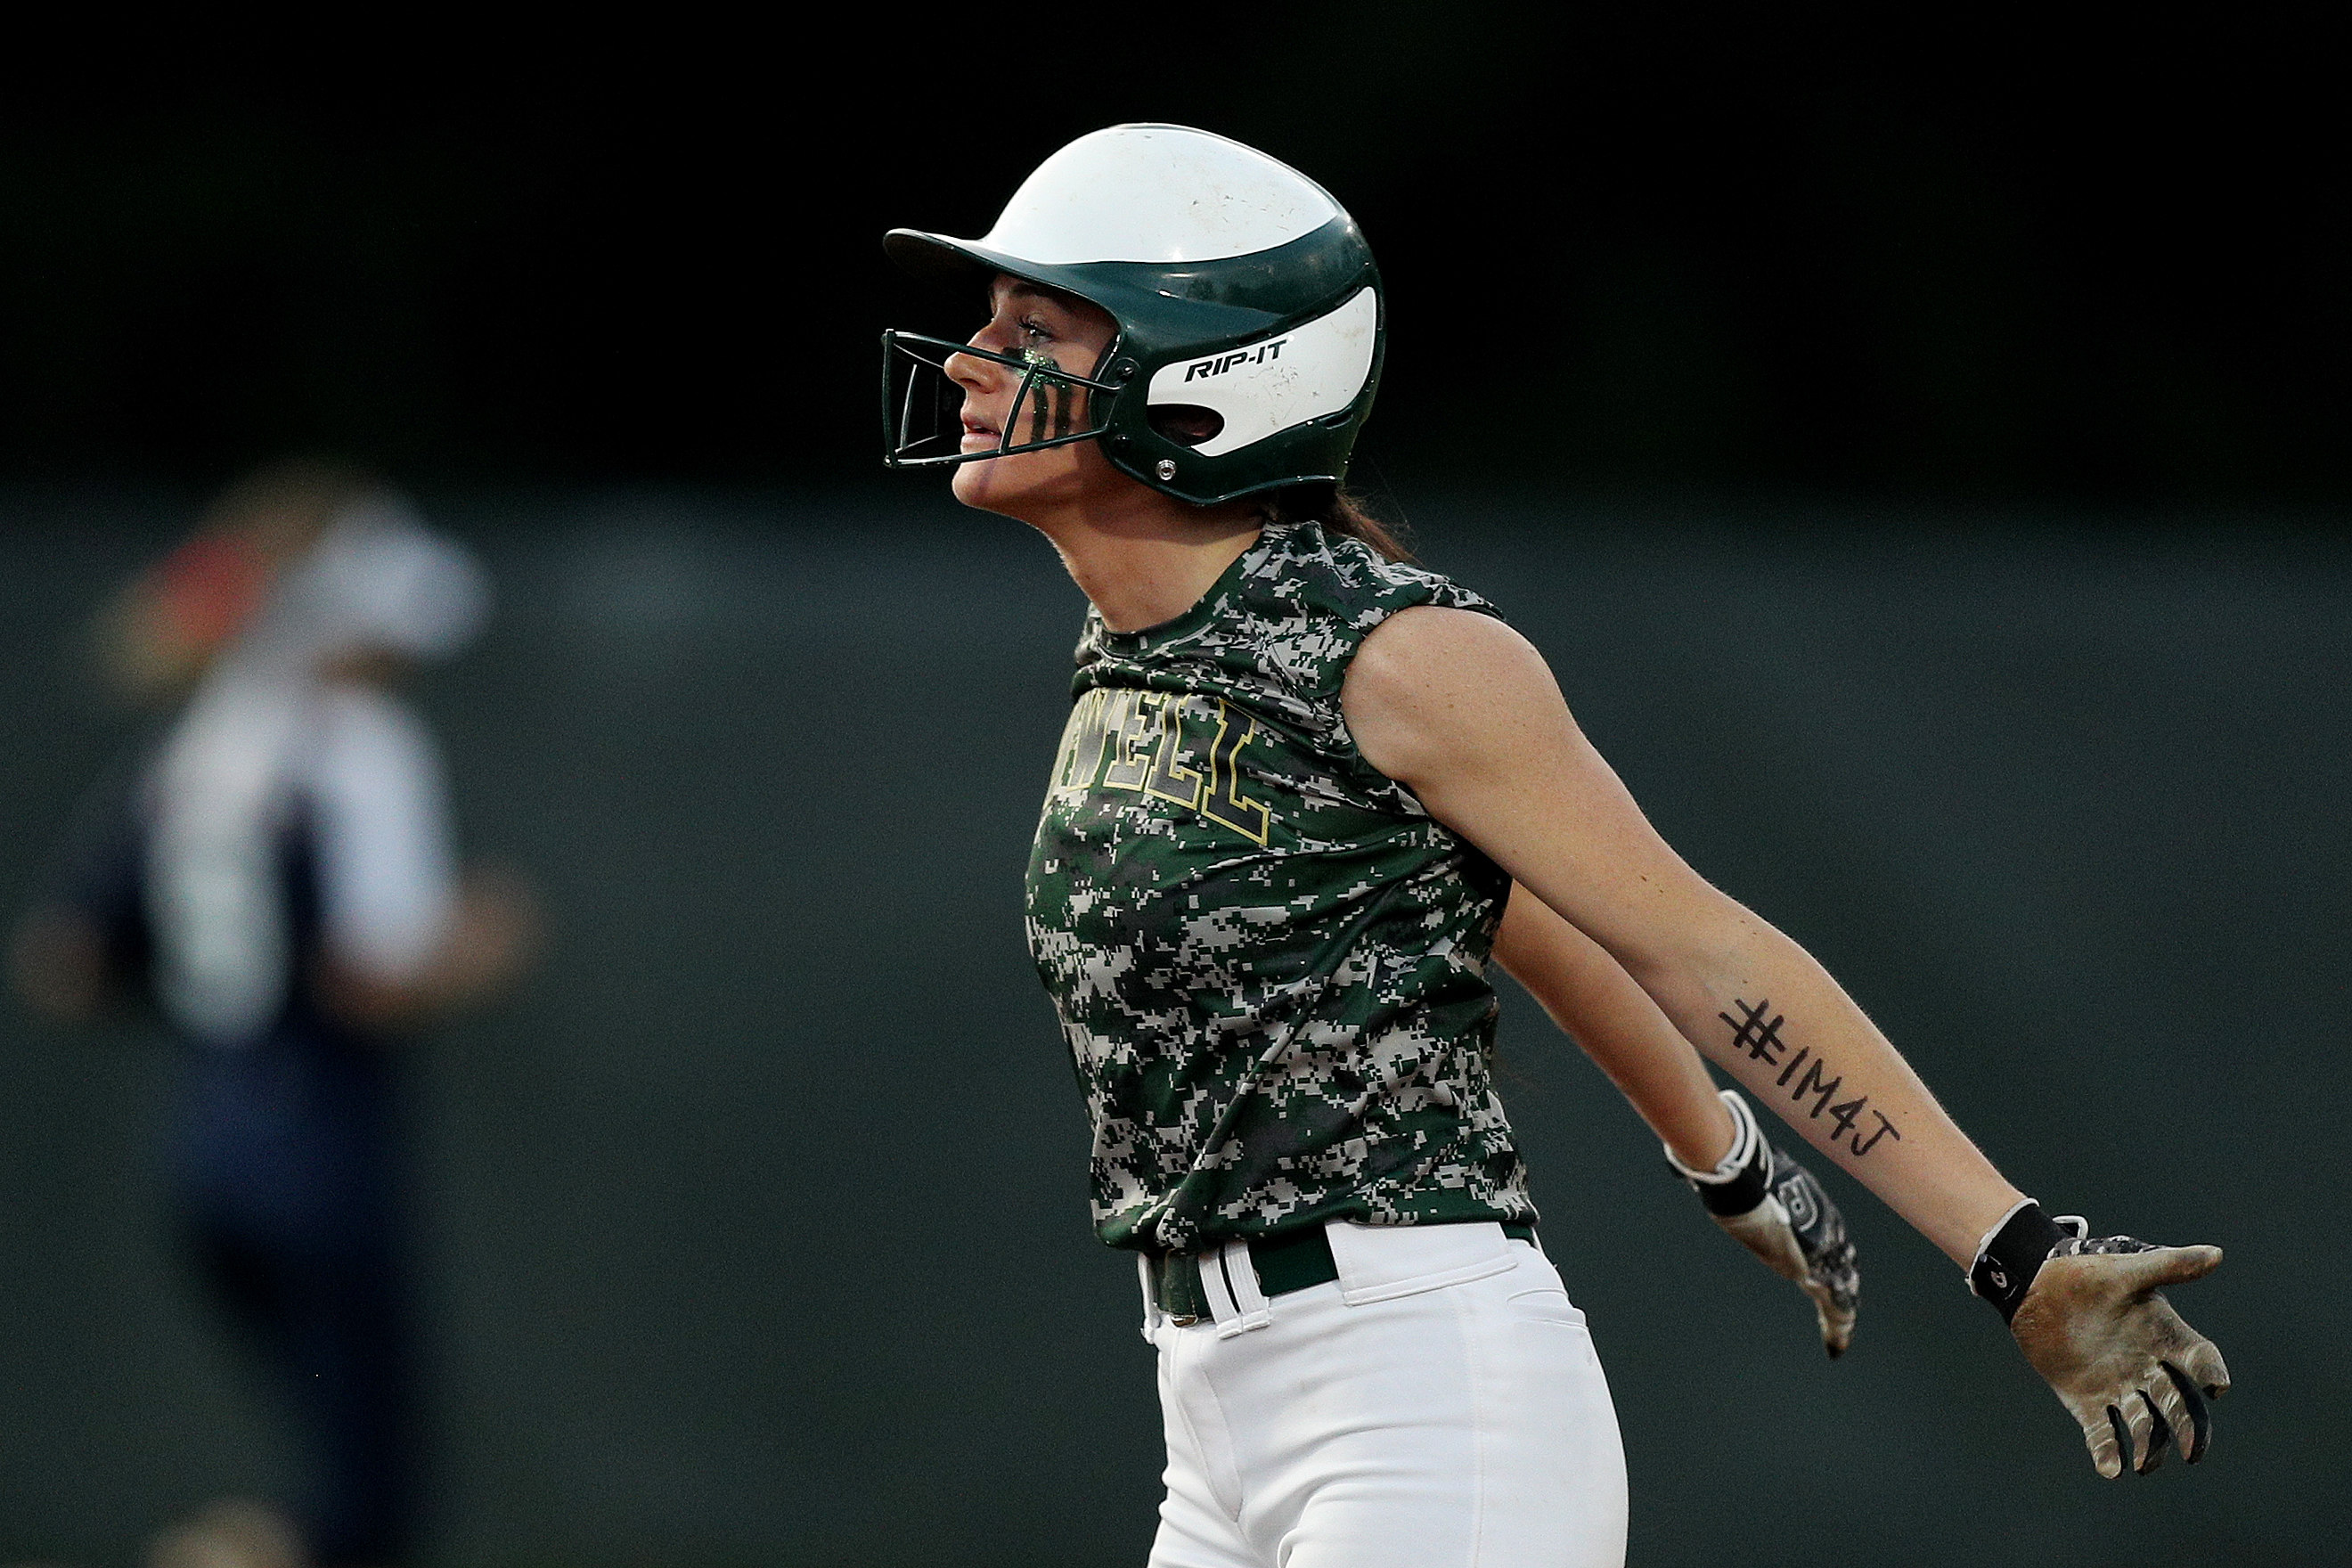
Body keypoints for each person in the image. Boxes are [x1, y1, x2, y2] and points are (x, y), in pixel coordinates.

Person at [880, 125, 2230, 1568]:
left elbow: (1699, 945)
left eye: (1037, 329)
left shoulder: (1395, 652)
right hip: (1217, 1417)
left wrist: (2013, 1250)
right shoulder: (1139, 653)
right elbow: (1521, 919)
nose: (970, 359)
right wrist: (1722, 1158)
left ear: (1206, 383)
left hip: (1417, 1402)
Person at [11, 462, 532, 1568]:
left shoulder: (197, 751)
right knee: (365, 1508)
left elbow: (66, 963)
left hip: (207, 1153)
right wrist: (479, 948)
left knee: (330, 1487)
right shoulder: (356, 745)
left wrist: (230, 990)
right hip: (324, 1146)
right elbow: (372, 977)